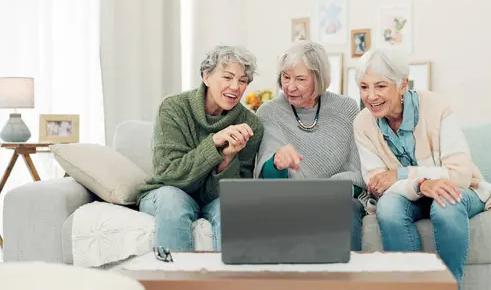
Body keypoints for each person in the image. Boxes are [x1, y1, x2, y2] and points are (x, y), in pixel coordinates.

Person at [352, 46, 491, 288]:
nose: (371, 96)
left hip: (462, 188)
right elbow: (377, 183)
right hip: (408, 195)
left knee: (446, 202)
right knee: (388, 208)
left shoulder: (436, 107)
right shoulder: (363, 122)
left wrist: (401, 174)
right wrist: (422, 184)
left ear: (403, 85)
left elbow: (459, 173)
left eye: (380, 86)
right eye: (364, 87)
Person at [137, 45, 264, 252]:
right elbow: (168, 174)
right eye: (227, 77)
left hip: (213, 199)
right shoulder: (173, 108)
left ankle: (231, 283)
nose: (235, 87)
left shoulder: (251, 125)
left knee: (232, 207)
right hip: (169, 191)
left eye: (242, 81)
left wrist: (226, 159)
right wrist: (213, 143)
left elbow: (236, 190)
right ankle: (175, 282)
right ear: (206, 76)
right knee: (172, 200)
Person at [254, 40, 367, 251]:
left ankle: (347, 281)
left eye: (300, 79)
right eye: (286, 78)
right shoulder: (269, 111)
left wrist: (326, 193)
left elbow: (358, 171)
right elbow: (267, 178)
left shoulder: (346, 108)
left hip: (339, 197)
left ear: (318, 79)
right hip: (289, 199)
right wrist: (277, 164)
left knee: (347, 211)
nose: (290, 86)